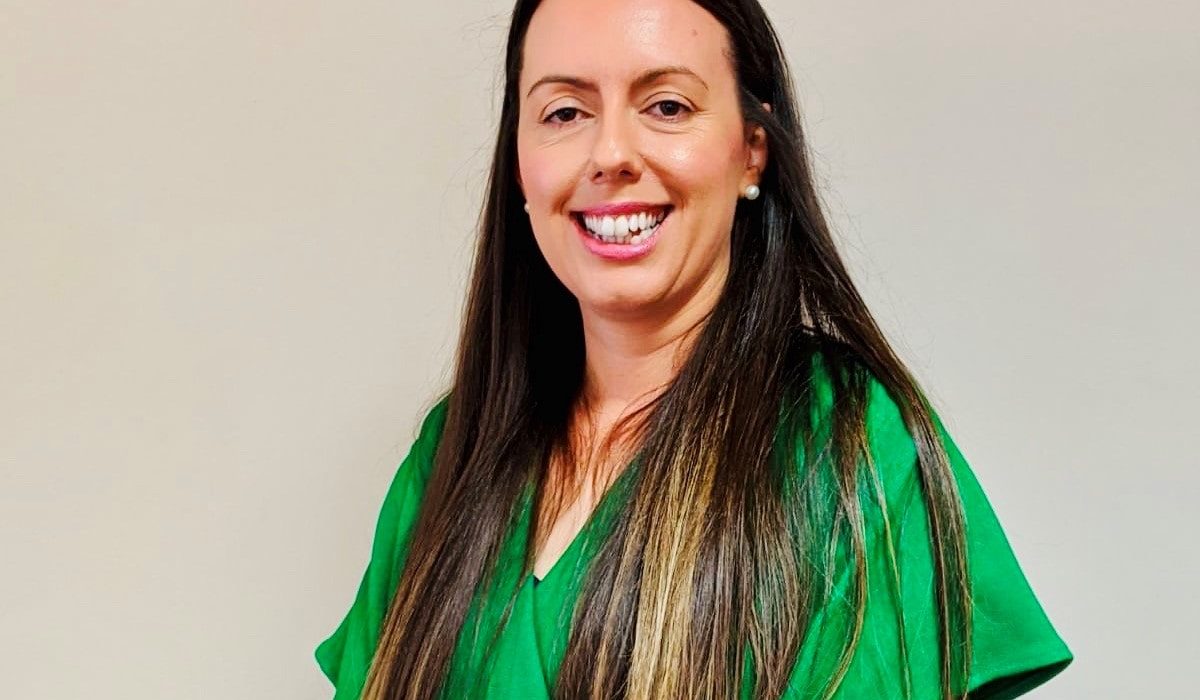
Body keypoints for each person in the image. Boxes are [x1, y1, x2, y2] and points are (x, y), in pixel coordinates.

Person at [315, 0, 1074, 697]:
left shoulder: (850, 452)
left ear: (751, 150)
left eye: (667, 105)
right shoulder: (454, 453)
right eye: (564, 111)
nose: (609, 153)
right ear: (518, 159)